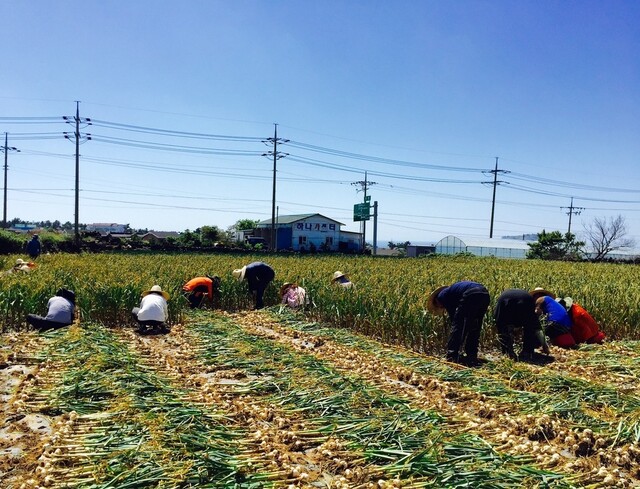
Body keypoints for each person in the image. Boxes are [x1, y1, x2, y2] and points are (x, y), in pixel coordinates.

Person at [427, 281, 490, 366]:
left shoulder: (442, 297)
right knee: (475, 327)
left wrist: (453, 336)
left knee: (458, 326)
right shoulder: (451, 292)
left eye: (438, 306)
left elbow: (455, 321)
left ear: (436, 301)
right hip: (484, 294)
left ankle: (452, 356)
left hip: (471, 295)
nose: (441, 308)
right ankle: (472, 355)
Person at [494, 289, 550, 362]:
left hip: (503, 299)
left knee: (502, 325)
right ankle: (527, 352)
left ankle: (508, 353)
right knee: (530, 326)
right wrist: (544, 345)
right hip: (523, 300)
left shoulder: (528, 298)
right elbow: (536, 328)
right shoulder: (530, 301)